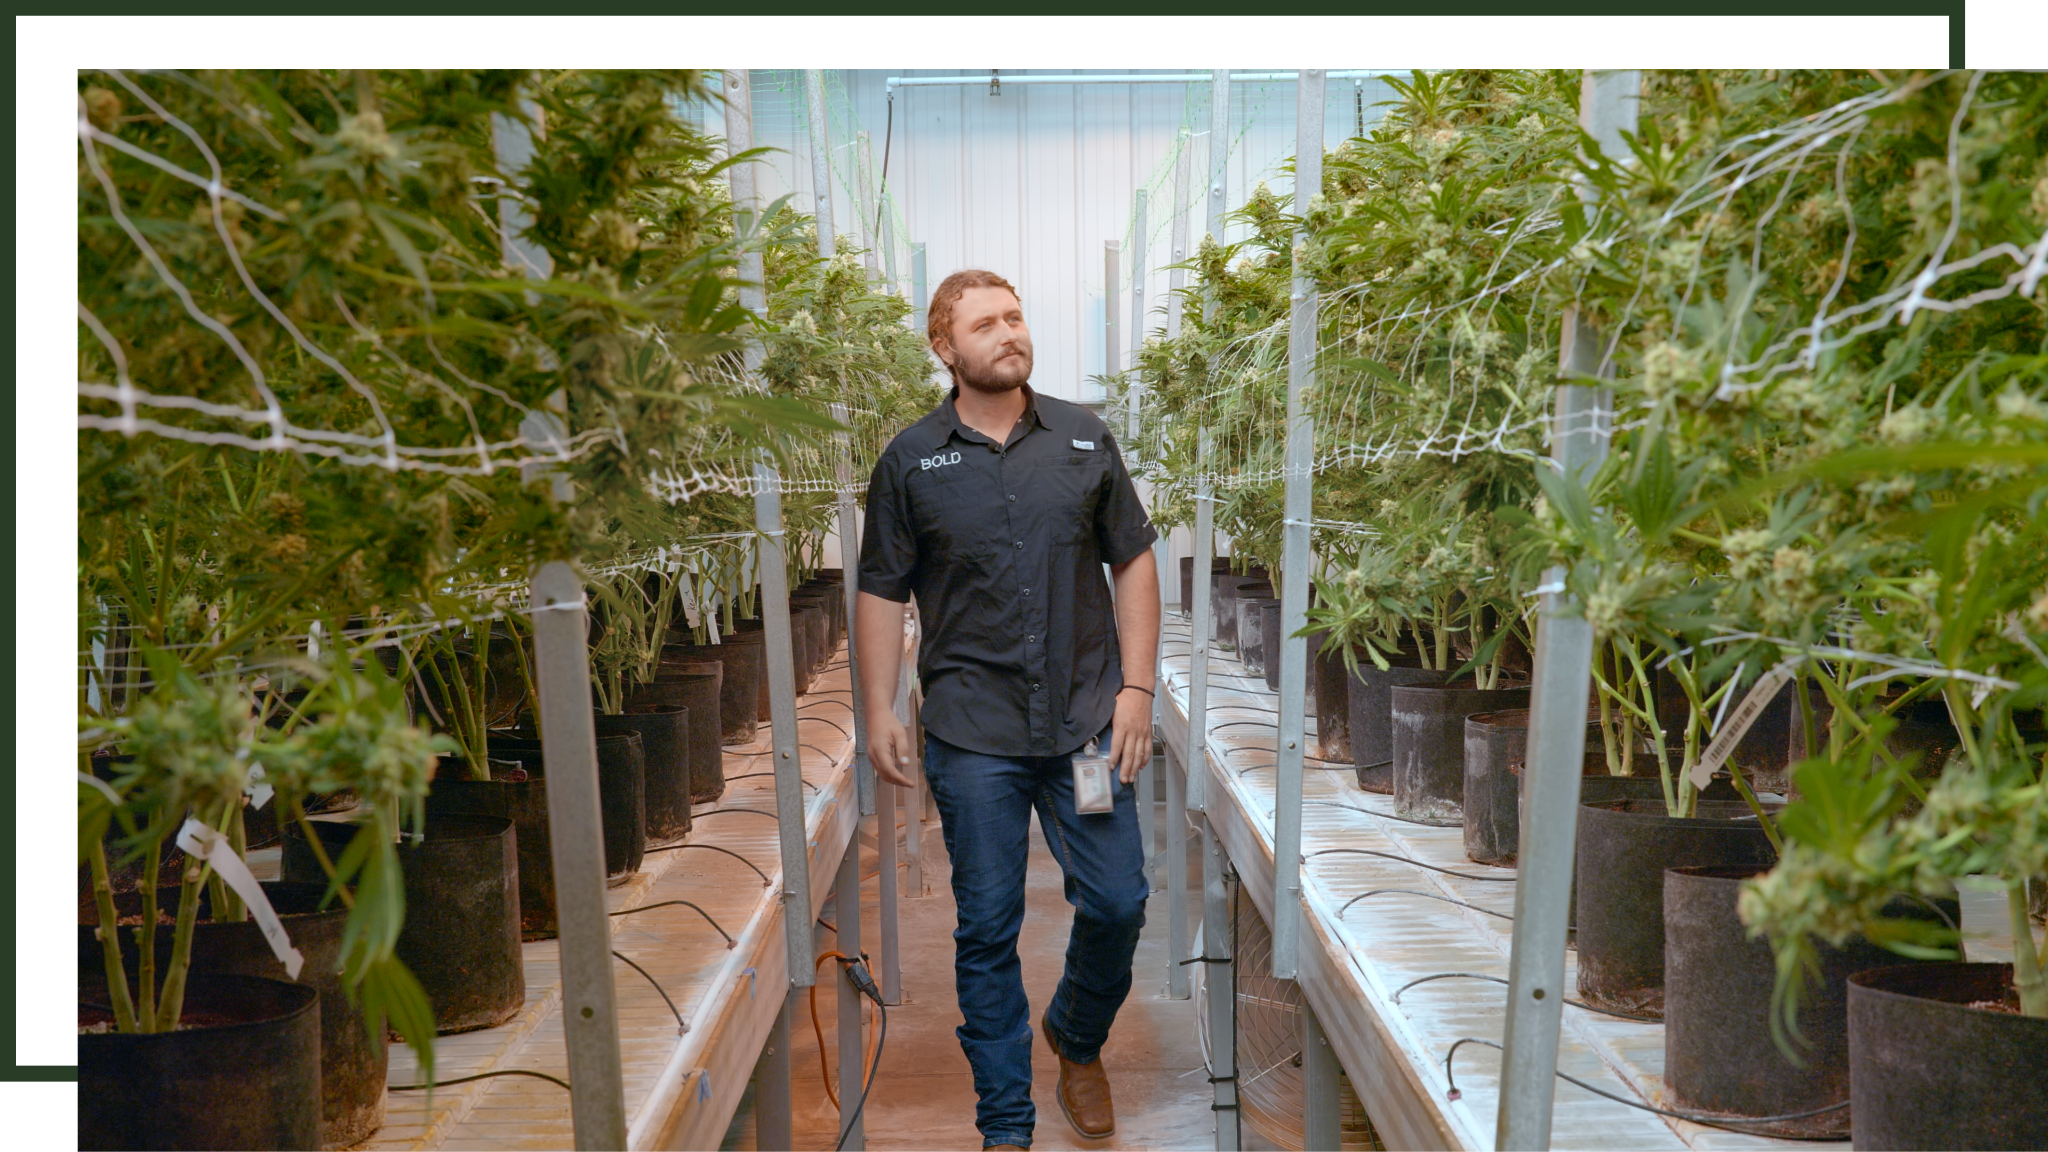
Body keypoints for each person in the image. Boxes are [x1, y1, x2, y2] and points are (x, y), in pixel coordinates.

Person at [856, 268, 1160, 1150]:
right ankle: (1006, 1124)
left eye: (1016, 316)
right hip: (972, 736)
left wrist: (1135, 691)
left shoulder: (1082, 439)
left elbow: (1133, 561)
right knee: (986, 925)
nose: (1008, 332)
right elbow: (882, 588)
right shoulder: (912, 460)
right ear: (944, 349)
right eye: (985, 323)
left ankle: (1075, 1033)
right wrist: (877, 705)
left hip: (1086, 733)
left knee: (1117, 902)